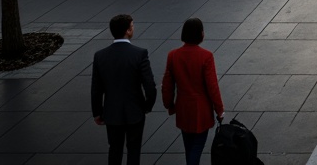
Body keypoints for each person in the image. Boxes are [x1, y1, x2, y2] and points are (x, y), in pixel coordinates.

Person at [91, 13, 156, 165]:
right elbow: (149, 85)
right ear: (127, 30)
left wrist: (97, 112)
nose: (133, 28)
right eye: (132, 26)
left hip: (111, 112)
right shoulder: (139, 54)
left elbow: (96, 88)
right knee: (134, 150)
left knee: (114, 149)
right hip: (135, 112)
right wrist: (146, 106)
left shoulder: (100, 56)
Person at [162, 18, 224, 165]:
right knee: (197, 147)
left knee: (188, 146)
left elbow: (167, 85)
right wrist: (219, 109)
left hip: (183, 108)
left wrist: (169, 104)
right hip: (201, 109)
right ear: (201, 34)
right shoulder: (206, 56)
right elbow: (212, 86)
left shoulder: (173, 55)